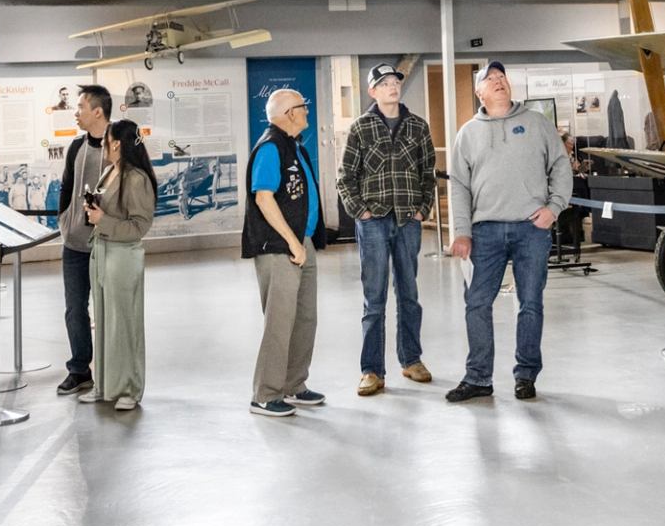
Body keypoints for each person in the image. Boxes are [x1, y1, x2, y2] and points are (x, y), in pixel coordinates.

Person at [445, 61, 571, 402]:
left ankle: (526, 375)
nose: (499, 81)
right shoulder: (468, 133)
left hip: (531, 230)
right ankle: (478, 378)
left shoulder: (536, 123)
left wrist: (555, 207)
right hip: (485, 232)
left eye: (502, 77)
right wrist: (462, 231)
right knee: (476, 303)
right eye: (490, 78)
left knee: (530, 303)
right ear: (479, 92)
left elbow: (561, 165)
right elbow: (459, 185)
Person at [338, 63, 437, 397]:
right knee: (375, 298)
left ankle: (411, 360)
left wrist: (423, 209)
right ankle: (372, 370)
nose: (392, 86)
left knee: (409, 293)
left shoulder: (418, 126)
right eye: (384, 83)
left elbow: (428, 173)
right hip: (374, 222)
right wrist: (361, 212)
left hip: (408, 220)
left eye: (395, 81)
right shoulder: (360, 128)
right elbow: (345, 178)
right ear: (373, 91)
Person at [243, 88, 329, 418]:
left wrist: (304, 241)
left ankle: (294, 384)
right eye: (302, 106)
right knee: (279, 322)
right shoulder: (270, 147)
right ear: (289, 113)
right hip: (280, 248)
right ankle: (265, 394)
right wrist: (292, 242)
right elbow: (264, 198)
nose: (307, 111)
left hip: (302, 243)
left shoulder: (295, 146)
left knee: (305, 318)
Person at [84, 119, 155, 412]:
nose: (103, 145)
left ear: (116, 143)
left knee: (123, 324)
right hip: (102, 253)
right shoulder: (109, 171)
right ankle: (103, 384)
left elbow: (139, 226)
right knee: (103, 321)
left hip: (123, 257)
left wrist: (104, 221)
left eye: (106, 140)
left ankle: (129, 388)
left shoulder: (137, 179)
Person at [55, 84, 111, 396]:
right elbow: (67, 186)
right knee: (74, 309)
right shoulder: (76, 147)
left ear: (97, 111)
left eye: (80, 107)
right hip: (74, 245)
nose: (75, 113)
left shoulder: (119, 146)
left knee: (110, 308)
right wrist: (65, 219)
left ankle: (112, 369)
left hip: (108, 244)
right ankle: (79, 370)